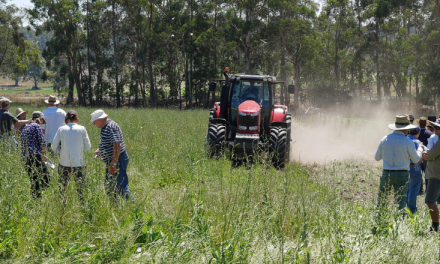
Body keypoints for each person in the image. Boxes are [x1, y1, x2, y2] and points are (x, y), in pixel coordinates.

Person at [375, 115, 423, 213]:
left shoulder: (384, 139)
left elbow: (377, 158)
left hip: (387, 173)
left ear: (395, 125)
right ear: (407, 128)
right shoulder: (408, 142)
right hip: (402, 174)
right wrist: (420, 149)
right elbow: (416, 160)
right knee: (400, 202)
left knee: (382, 200)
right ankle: (399, 223)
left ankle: (380, 220)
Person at [91, 109, 132, 201]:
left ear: (100, 119)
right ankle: (116, 207)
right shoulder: (105, 127)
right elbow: (108, 142)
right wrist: (100, 149)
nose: (94, 124)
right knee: (109, 186)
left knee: (121, 186)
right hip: (113, 161)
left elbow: (117, 145)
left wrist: (113, 164)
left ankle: (132, 206)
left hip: (118, 160)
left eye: (94, 121)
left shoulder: (111, 126)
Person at [52, 110, 91, 203]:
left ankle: (62, 206)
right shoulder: (82, 129)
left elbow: (53, 147)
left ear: (66, 119)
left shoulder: (61, 129)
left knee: (63, 188)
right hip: (79, 162)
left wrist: (61, 151)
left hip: (64, 162)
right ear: (76, 118)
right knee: (81, 188)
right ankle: (82, 205)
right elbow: (88, 147)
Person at [21, 111, 50, 198]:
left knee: (34, 180)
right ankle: (42, 196)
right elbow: (43, 143)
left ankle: (36, 199)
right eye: (42, 122)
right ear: (40, 119)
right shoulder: (36, 126)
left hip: (25, 158)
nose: (42, 124)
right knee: (46, 179)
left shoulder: (25, 127)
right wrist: (43, 154)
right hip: (35, 156)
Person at [422, 121, 440, 232]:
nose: (435, 129)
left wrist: (425, 154)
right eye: (435, 127)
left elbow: (428, 155)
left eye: (438, 127)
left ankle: (435, 227)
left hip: (436, 176)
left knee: (430, 200)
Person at [406, 126, 423, 214]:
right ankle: (412, 209)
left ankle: (404, 208)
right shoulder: (418, 143)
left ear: (409, 131)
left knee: (406, 189)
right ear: (418, 133)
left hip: (404, 167)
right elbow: (421, 157)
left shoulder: (404, 140)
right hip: (415, 167)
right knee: (413, 189)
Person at [418, 117, 433, 195]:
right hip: (427, 155)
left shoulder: (416, 132)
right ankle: (427, 189)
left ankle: (420, 189)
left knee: (419, 173)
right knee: (427, 173)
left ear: (419, 123)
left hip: (418, 155)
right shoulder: (429, 133)